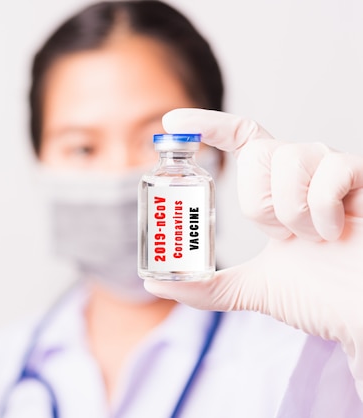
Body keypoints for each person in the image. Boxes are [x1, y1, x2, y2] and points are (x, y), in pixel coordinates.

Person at [0, 2, 310, 417]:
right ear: (39, 163)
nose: (121, 176)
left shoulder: (305, 365)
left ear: (218, 153)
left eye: (154, 142)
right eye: (83, 148)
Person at [144, 107, 363, 416]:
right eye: (83, 148)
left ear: (214, 155)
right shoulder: (49, 331)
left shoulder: (289, 340)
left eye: (141, 138)